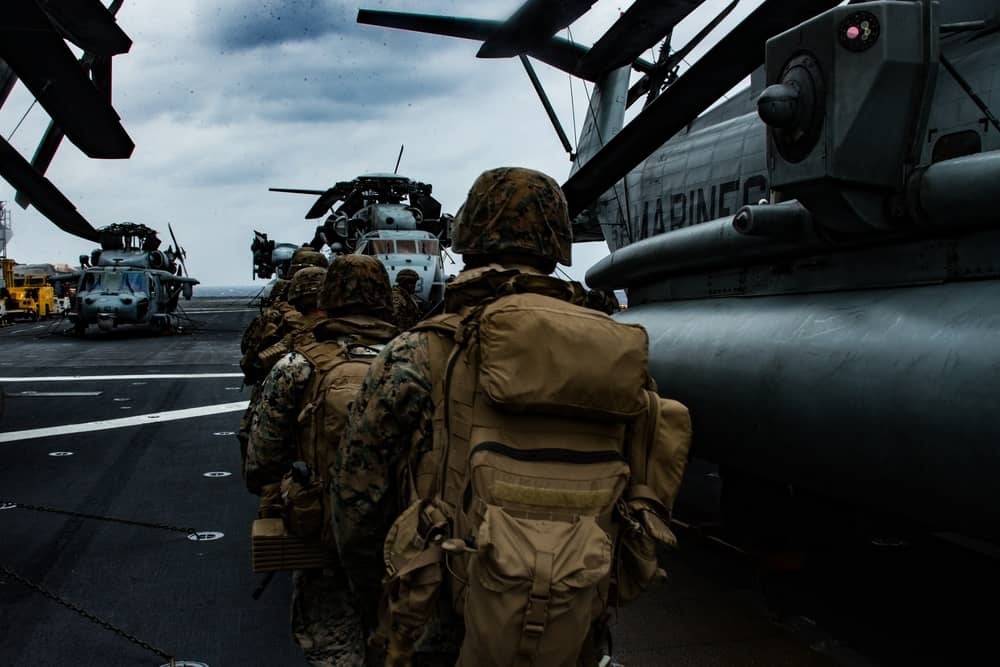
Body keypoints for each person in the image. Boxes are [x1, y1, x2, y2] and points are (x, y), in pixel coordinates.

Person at [332, 167, 690, 666]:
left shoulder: (419, 352)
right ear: (557, 242)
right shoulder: (613, 349)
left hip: (441, 619)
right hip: (573, 610)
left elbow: (357, 500)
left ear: (472, 236)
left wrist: (377, 589)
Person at [245, 254, 399, 667]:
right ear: (385, 299)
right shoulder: (420, 359)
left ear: (328, 298)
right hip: (404, 537)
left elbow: (260, 461)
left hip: (325, 531)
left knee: (333, 648)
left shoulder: (297, 366)